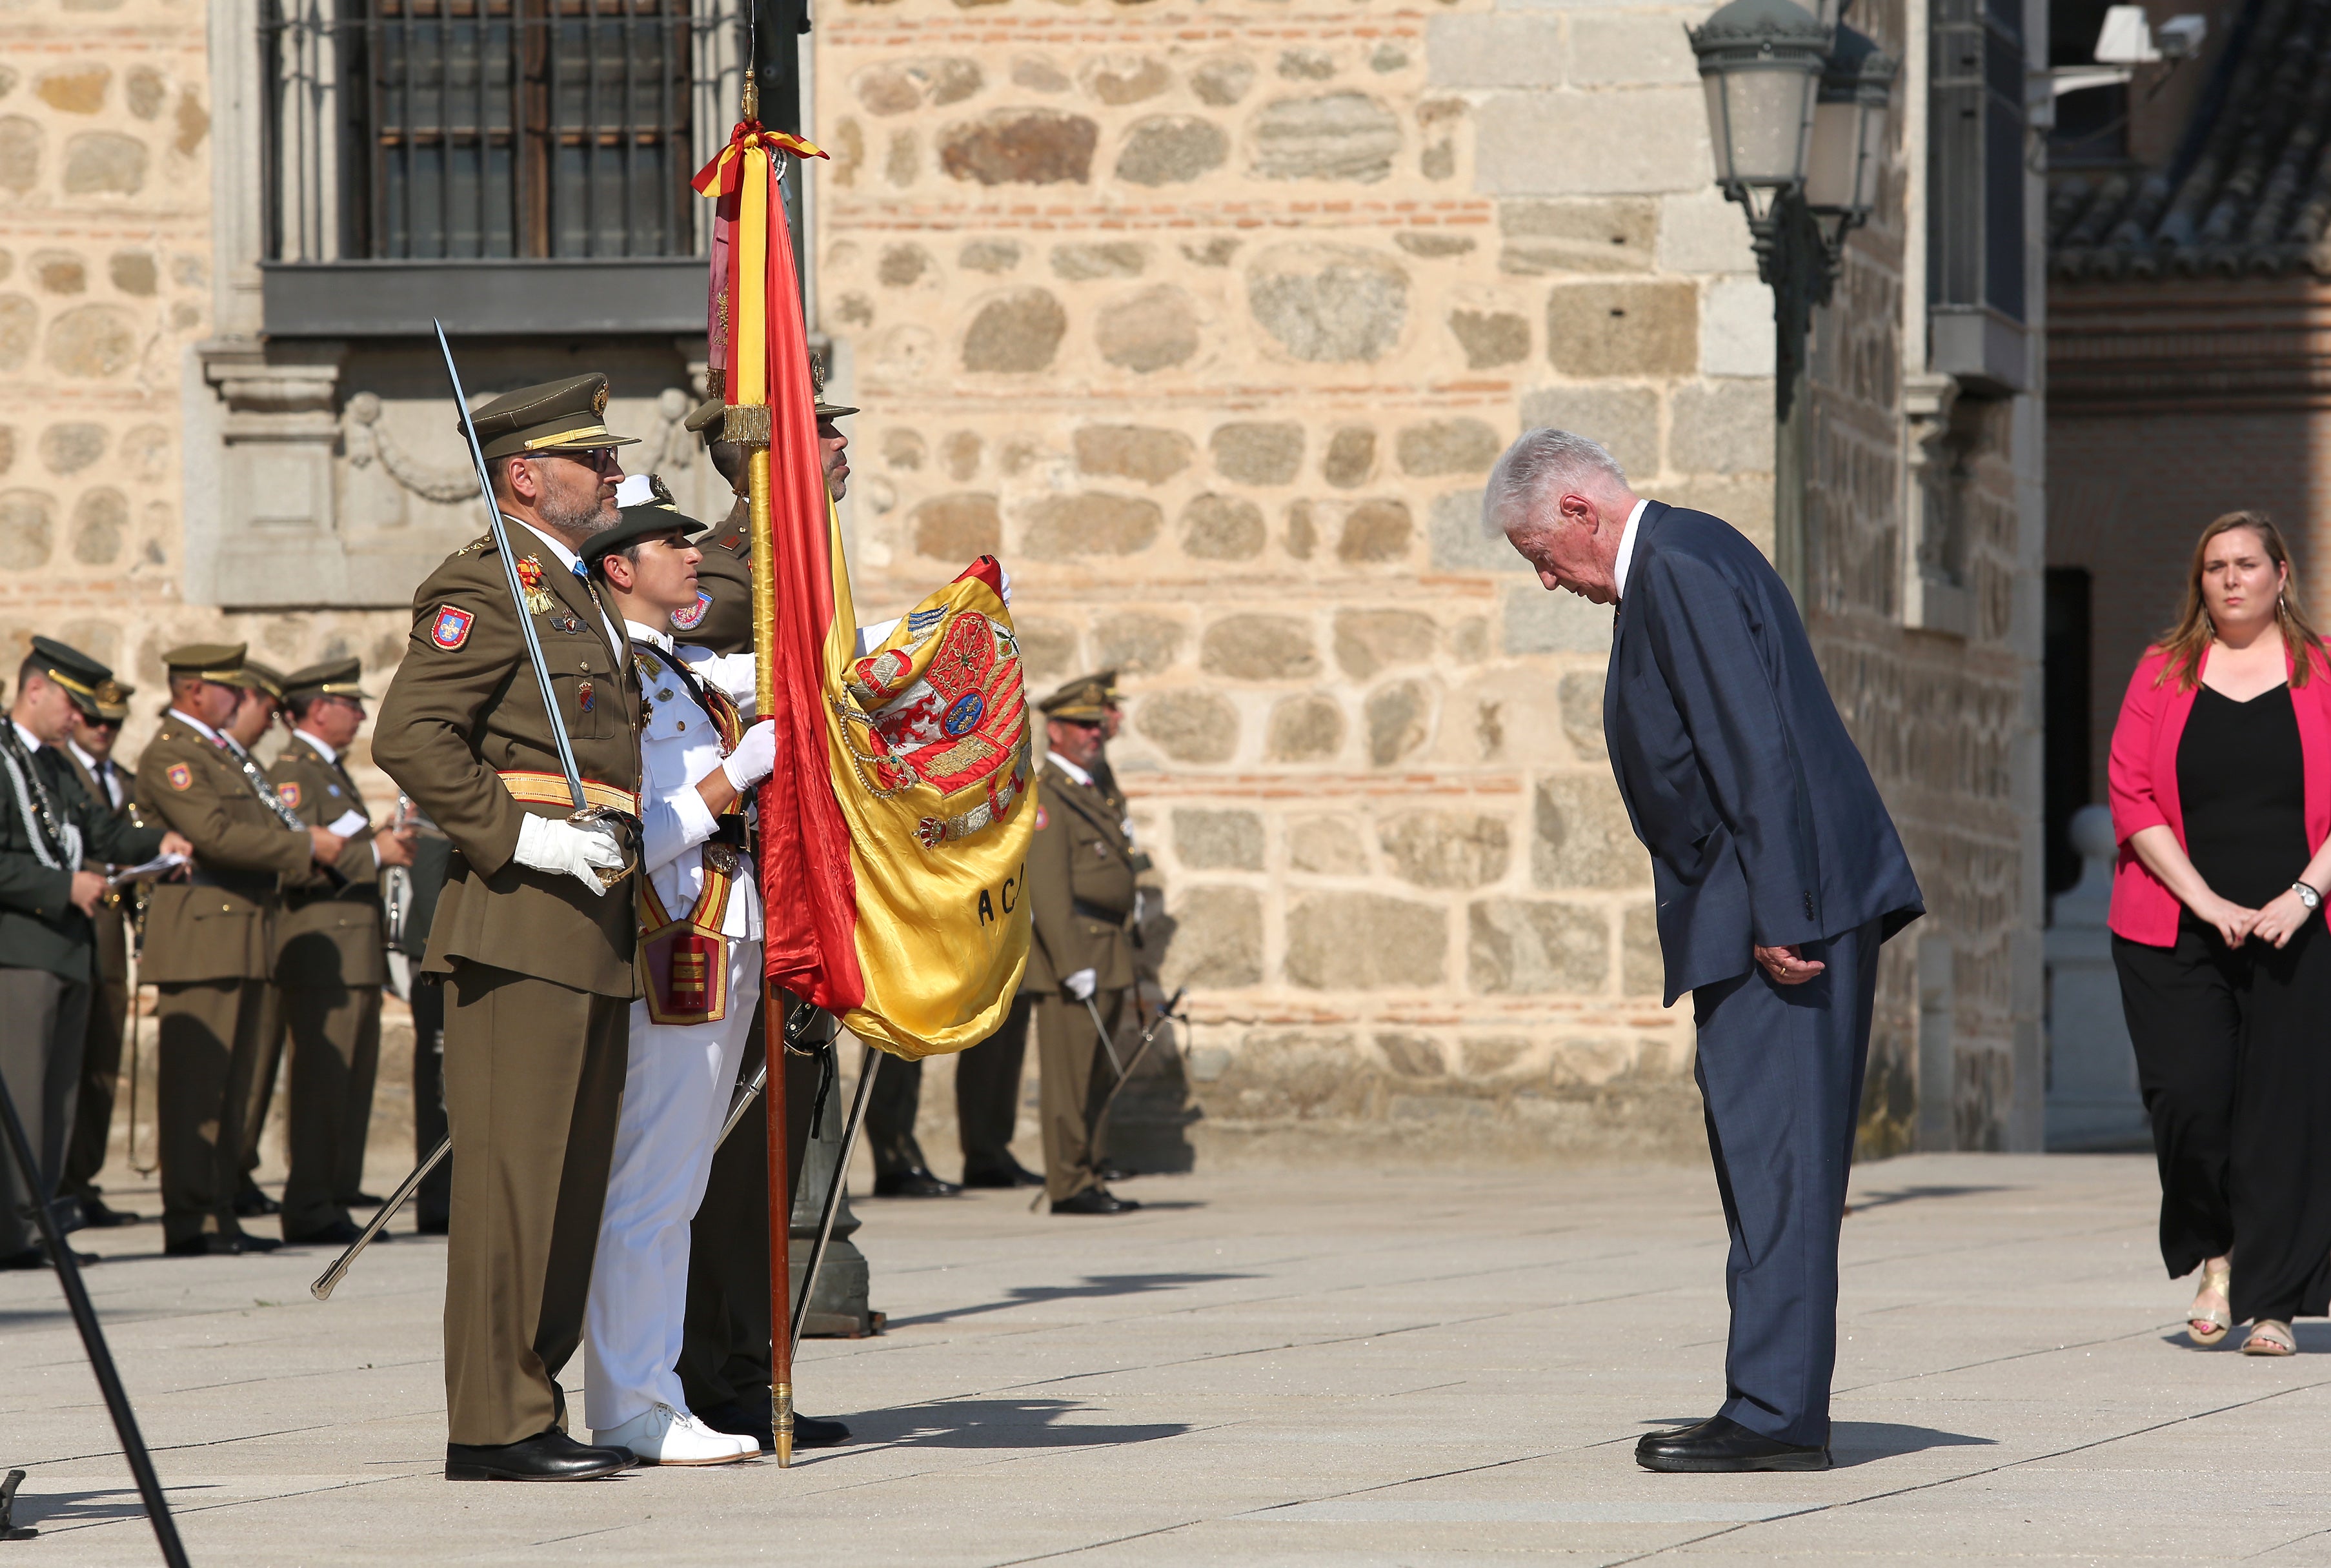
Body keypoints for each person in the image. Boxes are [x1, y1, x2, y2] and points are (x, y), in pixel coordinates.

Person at [1486, 428, 1922, 1473]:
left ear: (1580, 513)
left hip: (1783, 911)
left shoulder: (1676, 565)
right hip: (1767, 903)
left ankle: (1774, 1416)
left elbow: (1751, 746)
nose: (1547, 580)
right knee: (1764, 1160)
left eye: (1541, 554)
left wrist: (1780, 912)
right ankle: (1767, 1399)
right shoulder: (1680, 560)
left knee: (1780, 1163)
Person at [373, 372, 649, 1483]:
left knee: (572, 1185)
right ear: (527, 476)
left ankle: (534, 1401)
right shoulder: (485, 591)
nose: (614, 475)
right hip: (517, 917)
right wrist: (516, 838)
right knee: (512, 1184)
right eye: (594, 460)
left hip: (595, 920)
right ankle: (490, 1422)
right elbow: (413, 735)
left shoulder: (577, 594)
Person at [576, 484, 774, 1465]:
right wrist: (738, 776)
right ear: (620, 566)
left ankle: (653, 1391)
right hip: (673, 936)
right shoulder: (612, 676)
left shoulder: (678, 668)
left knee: (679, 1184)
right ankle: (629, 1403)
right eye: (672, 545)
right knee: (651, 1185)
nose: (696, 558)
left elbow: (791, 658)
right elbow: (634, 835)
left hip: (725, 927)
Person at [2106, 511, 2331, 1359]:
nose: (2230, 579)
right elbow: (2131, 793)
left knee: (2284, 1115)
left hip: (2301, 926)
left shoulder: (2323, 670)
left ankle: (2269, 1299)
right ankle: (2218, 1251)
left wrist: (2304, 894)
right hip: (2176, 924)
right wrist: (2206, 900)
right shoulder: (2162, 671)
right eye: (2214, 567)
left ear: (2282, 573)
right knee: (2191, 1101)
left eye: (2246, 563)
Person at [136, 643, 344, 1257]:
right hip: (203, 935)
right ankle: (190, 1218)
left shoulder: (223, 755)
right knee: (196, 1090)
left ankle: (219, 1208)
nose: (242, 700)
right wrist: (305, 848)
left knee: (234, 1088)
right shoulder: (174, 755)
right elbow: (215, 836)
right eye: (231, 688)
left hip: (247, 932)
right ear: (195, 691)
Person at [0, 640, 180, 1268]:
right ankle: (13, 1232)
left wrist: (160, 840)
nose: (78, 720)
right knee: (22, 1100)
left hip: (68, 950)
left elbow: (97, 829)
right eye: (72, 706)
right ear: (35, 691)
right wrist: (62, 886)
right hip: (21, 951)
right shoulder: (3, 759)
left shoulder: (49, 765)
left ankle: (42, 1225)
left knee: (57, 1101)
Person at [267, 658, 416, 1247]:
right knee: (322, 1083)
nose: (358, 716)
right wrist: (375, 854)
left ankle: (331, 1192)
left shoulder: (326, 771)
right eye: (349, 705)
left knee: (347, 1084)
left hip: (353, 948)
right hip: (324, 948)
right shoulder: (294, 772)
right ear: (317, 709)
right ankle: (309, 1203)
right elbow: (297, 861)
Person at [1024, 678, 1145, 1216]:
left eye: (1099, 726)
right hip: (1077, 948)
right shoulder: (1050, 793)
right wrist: (1071, 963)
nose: (1094, 734)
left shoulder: (1093, 785)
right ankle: (1069, 1184)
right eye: (1083, 725)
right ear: (1055, 730)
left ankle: (1090, 1171)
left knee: (1099, 1074)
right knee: (1070, 1077)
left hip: (1109, 947)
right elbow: (1048, 887)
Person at [59, 677, 145, 1227]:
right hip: (71, 931)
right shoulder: (57, 773)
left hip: (112, 939)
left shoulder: (126, 782)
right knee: (65, 1065)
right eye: (95, 721)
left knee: (102, 1063)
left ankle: (83, 1180)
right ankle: (56, 1184)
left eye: (114, 724)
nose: (104, 733)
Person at [224, 658, 292, 1221]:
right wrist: (316, 848)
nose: (271, 723)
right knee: (217, 1079)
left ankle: (231, 1180)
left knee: (248, 1072)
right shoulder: (194, 757)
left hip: (258, 935)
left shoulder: (244, 765)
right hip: (226, 934)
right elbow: (225, 837)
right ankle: (210, 1197)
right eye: (265, 710)